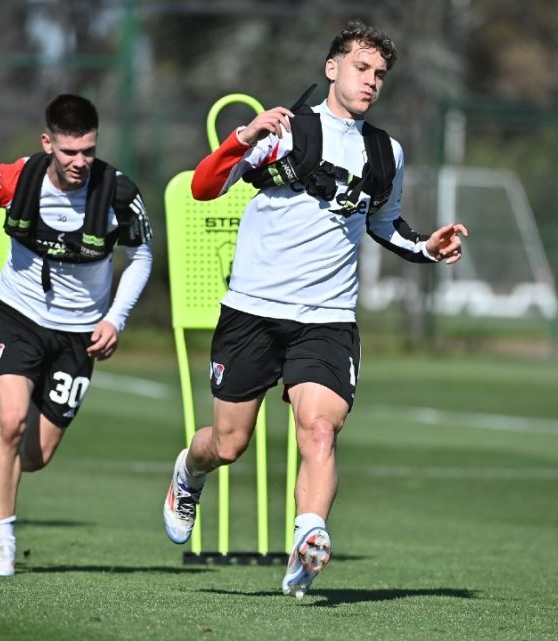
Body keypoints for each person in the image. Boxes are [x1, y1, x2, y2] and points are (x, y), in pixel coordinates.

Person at [161, 20, 467, 598]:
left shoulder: (387, 151)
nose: (371, 81)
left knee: (320, 431)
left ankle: (308, 539)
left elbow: (384, 223)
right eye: (361, 68)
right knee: (228, 444)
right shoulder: (285, 131)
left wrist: (427, 247)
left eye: (380, 74)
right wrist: (245, 137)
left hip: (327, 318)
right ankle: (188, 472)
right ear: (332, 68)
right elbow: (204, 188)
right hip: (252, 310)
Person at [0, 94, 153, 577]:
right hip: (16, 316)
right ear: (47, 143)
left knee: (37, 455)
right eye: (69, 152)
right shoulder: (14, 179)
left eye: (88, 150)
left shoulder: (119, 193)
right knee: (11, 421)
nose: (80, 162)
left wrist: (115, 319)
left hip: (79, 334)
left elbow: (143, 256)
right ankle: (3, 542)